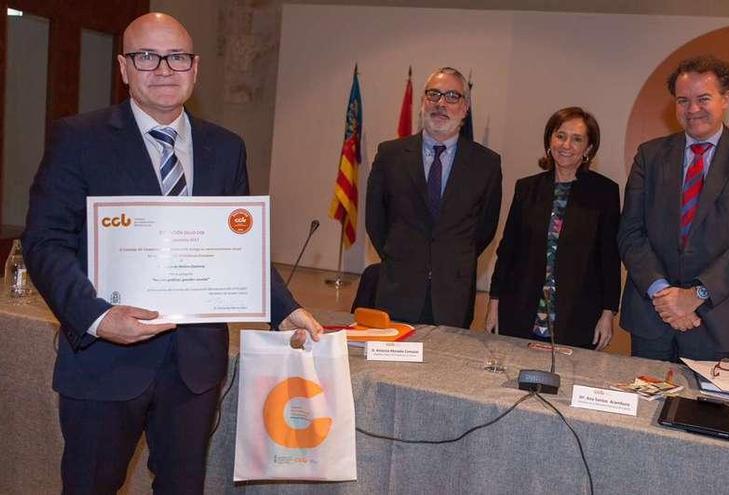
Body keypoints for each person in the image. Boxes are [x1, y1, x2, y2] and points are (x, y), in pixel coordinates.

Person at [22, 13, 322, 494]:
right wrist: (97, 317)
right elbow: (44, 242)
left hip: (194, 367)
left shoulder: (226, 148)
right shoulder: (78, 139)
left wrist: (286, 309)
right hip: (103, 363)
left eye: (177, 56)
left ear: (195, 68)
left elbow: (237, 248)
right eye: (147, 56)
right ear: (124, 68)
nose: (164, 68)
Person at [618, 55, 729, 362]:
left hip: (719, 322)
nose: (692, 110)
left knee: (708, 411)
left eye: (703, 98)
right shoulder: (649, 156)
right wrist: (664, 295)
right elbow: (630, 233)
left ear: (726, 99)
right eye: (683, 101)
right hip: (653, 319)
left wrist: (694, 296)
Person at [366, 67, 502, 328]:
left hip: (453, 295)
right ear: (422, 103)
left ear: (465, 108)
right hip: (398, 291)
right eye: (434, 94)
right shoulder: (390, 155)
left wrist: (448, 258)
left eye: (452, 96)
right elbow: (376, 222)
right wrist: (404, 256)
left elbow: (483, 229)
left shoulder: (487, 164)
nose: (441, 103)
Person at [486, 107, 620, 350]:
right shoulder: (526, 188)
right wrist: (494, 304)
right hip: (520, 308)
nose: (566, 145)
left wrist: (608, 313)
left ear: (588, 149)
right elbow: (507, 251)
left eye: (577, 139)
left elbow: (609, 259)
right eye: (560, 136)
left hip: (578, 314)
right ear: (550, 140)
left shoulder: (605, 193)